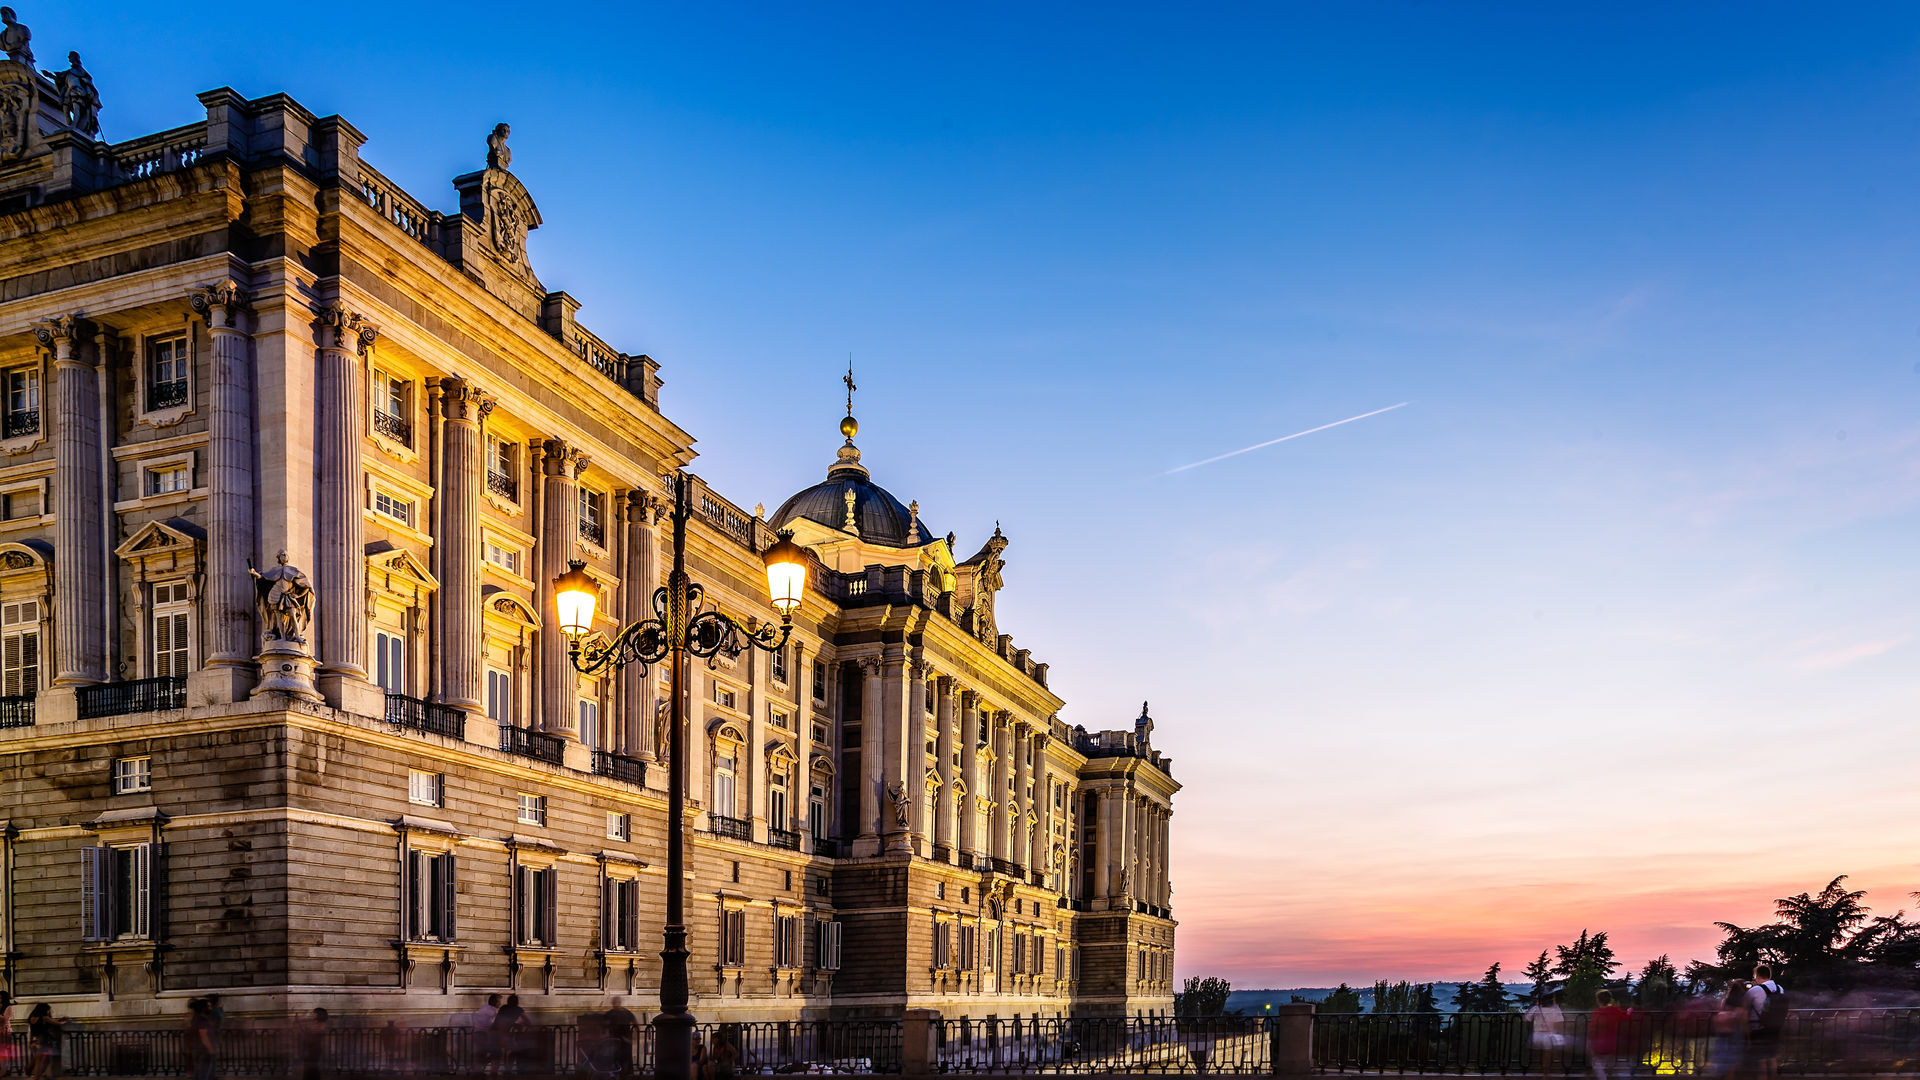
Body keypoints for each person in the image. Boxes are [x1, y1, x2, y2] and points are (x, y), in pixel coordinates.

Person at [1745, 964, 1786, 1080]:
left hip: (1758, 1028)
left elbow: (1744, 1007)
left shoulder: (1755, 990)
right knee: (1772, 1058)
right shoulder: (1780, 989)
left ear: (1757, 975)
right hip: (1775, 1028)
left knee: (1761, 1061)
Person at [1587, 988, 1631, 1080]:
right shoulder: (1615, 1010)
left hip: (1598, 1044)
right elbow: (1625, 1018)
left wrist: (1589, 1043)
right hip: (1610, 1043)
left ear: (1598, 1000)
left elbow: (1592, 1030)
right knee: (1603, 1063)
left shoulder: (1596, 1013)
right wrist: (1629, 1012)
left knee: (1597, 1065)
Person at [1709, 981, 1749, 1079]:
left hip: (1723, 1033)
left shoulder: (1725, 1001)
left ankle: (1721, 1075)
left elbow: (1721, 1013)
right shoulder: (1742, 1002)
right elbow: (1744, 1020)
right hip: (1736, 1033)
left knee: (1723, 1058)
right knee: (1732, 1061)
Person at [1525, 987, 1568, 1068]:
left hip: (1536, 1036)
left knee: (1537, 1054)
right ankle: (1546, 1073)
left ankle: (1536, 1069)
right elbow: (1560, 1022)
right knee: (1547, 1055)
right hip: (1549, 1036)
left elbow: (1526, 1019)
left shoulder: (1536, 1008)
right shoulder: (1555, 1009)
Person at [26, 1004, 63, 1080]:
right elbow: (57, 1023)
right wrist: (64, 1022)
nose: (49, 1011)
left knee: (37, 1058)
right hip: (42, 1039)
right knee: (40, 1060)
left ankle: (29, 1069)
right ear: (44, 1010)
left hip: (34, 1039)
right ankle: (36, 1077)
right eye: (48, 1010)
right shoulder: (44, 1017)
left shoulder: (31, 1017)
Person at [602, 998, 637, 1078]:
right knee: (619, 1057)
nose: (616, 1004)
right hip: (618, 1039)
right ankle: (621, 1073)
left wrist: (634, 1036)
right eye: (615, 1002)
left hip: (623, 1039)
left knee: (624, 1057)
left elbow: (635, 1023)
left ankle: (623, 1073)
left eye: (616, 1002)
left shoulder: (623, 1013)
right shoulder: (614, 1013)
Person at [186, 998, 218, 1080]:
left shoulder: (195, 1018)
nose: (210, 1008)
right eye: (208, 1006)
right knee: (205, 1074)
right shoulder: (202, 1019)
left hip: (198, 1050)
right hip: (204, 1051)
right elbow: (203, 1035)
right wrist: (210, 1049)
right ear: (204, 1008)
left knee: (200, 1073)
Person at [297, 1009, 328, 1080]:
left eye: (314, 1013)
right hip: (310, 1050)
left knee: (311, 1070)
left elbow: (310, 1036)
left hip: (313, 1051)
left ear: (318, 1015)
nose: (312, 1014)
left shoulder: (321, 1025)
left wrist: (303, 1028)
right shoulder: (316, 1024)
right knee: (310, 1069)